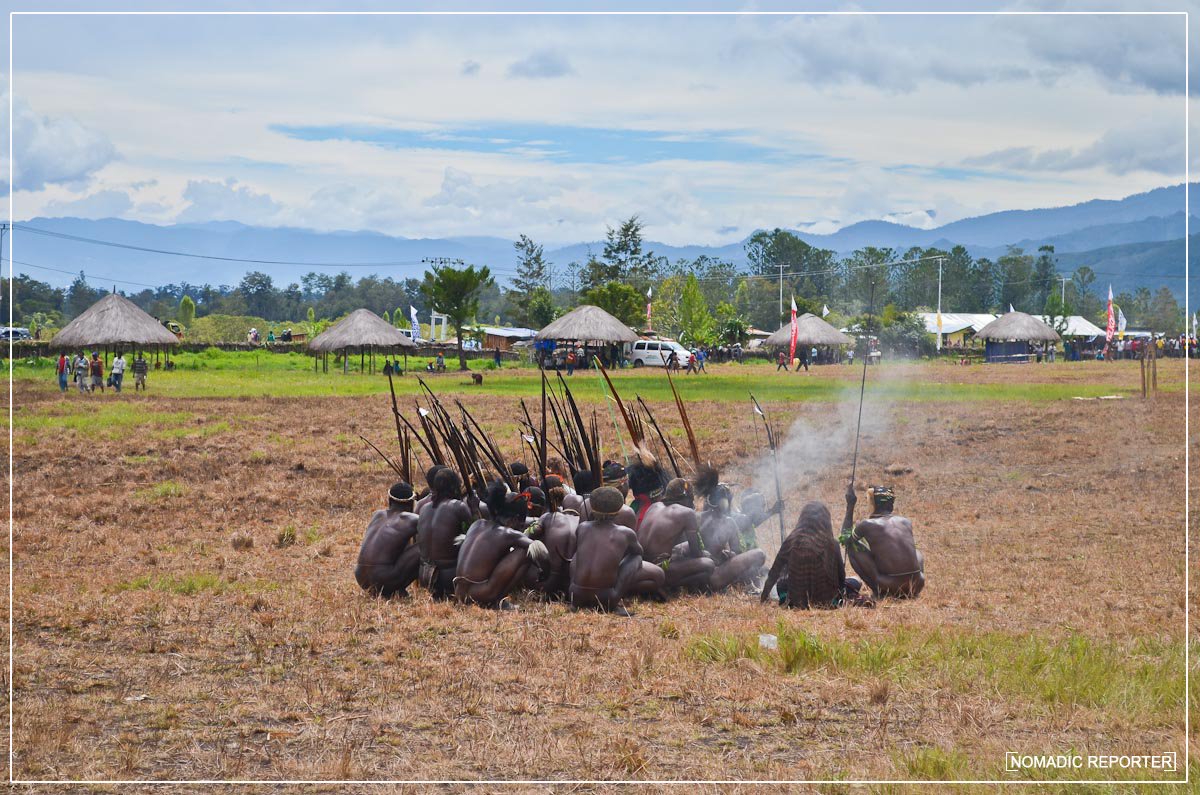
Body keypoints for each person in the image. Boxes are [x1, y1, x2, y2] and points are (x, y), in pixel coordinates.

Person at [570, 486, 666, 615]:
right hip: (606, 599)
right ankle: (615, 604)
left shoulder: (582, 527)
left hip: (575, 595)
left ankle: (576, 601)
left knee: (578, 553)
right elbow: (638, 553)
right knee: (636, 558)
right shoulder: (625, 533)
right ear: (619, 508)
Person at [453, 481, 548, 609]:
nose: (519, 529)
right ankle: (498, 601)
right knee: (525, 551)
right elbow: (539, 550)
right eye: (520, 525)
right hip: (480, 594)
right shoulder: (507, 533)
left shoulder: (478, 524)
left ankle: (495, 598)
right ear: (514, 520)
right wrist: (545, 571)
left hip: (459, 592)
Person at [839, 485, 924, 599]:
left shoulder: (867, 524)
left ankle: (879, 591)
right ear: (892, 505)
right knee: (915, 550)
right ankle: (909, 583)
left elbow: (845, 539)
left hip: (891, 587)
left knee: (852, 546)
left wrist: (850, 505)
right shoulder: (905, 521)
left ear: (873, 504)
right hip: (917, 585)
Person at [760, 501, 845, 609]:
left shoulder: (791, 541)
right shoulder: (832, 543)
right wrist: (841, 597)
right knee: (855, 582)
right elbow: (842, 578)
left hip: (796, 603)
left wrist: (763, 598)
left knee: (782, 583)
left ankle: (785, 599)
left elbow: (774, 573)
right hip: (828, 603)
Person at [637, 478, 715, 593]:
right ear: (686, 498)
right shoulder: (687, 513)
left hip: (642, 567)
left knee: (683, 549)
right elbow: (695, 552)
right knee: (708, 564)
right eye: (691, 499)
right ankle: (666, 586)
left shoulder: (654, 506)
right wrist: (705, 554)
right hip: (660, 569)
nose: (692, 503)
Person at [355, 482, 422, 598]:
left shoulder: (377, 514)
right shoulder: (411, 519)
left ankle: (394, 588)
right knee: (426, 546)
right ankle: (397, 590)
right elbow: (434, 533)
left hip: (361, 578)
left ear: (389, 501)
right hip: (384, 579)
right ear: (411, 503)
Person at [416, 468, 473, 601]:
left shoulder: (424, 508)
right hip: (449, 577)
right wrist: (475, 509)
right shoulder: (458, 507)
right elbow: (473, 537)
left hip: (425, 575)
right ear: (454, 487)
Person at [699, 483, 767, 591]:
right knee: (759, 554)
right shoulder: (729, 522)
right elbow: (739, 553)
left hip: (693, 577)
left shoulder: (694, 517)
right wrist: (730, 555)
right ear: (726, 503)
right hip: (714, 578)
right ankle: (751, 587)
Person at [528, 476, 579, 599]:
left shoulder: (547, 517)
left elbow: (529, 535)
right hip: (573, 585)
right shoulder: (582, 522)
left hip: (547, 584)